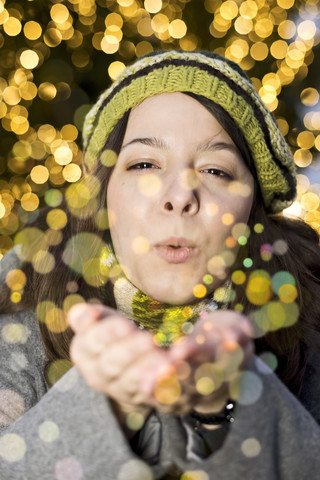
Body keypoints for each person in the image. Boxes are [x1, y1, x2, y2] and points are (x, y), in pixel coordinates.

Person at [1, 50, 320, 479]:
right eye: (145, 164)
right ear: (104, 195)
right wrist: (103, 403)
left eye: (215, 170)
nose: (180, 195)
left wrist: (232, 409)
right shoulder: (16, 333)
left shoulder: (310, 336)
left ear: (252, 211)